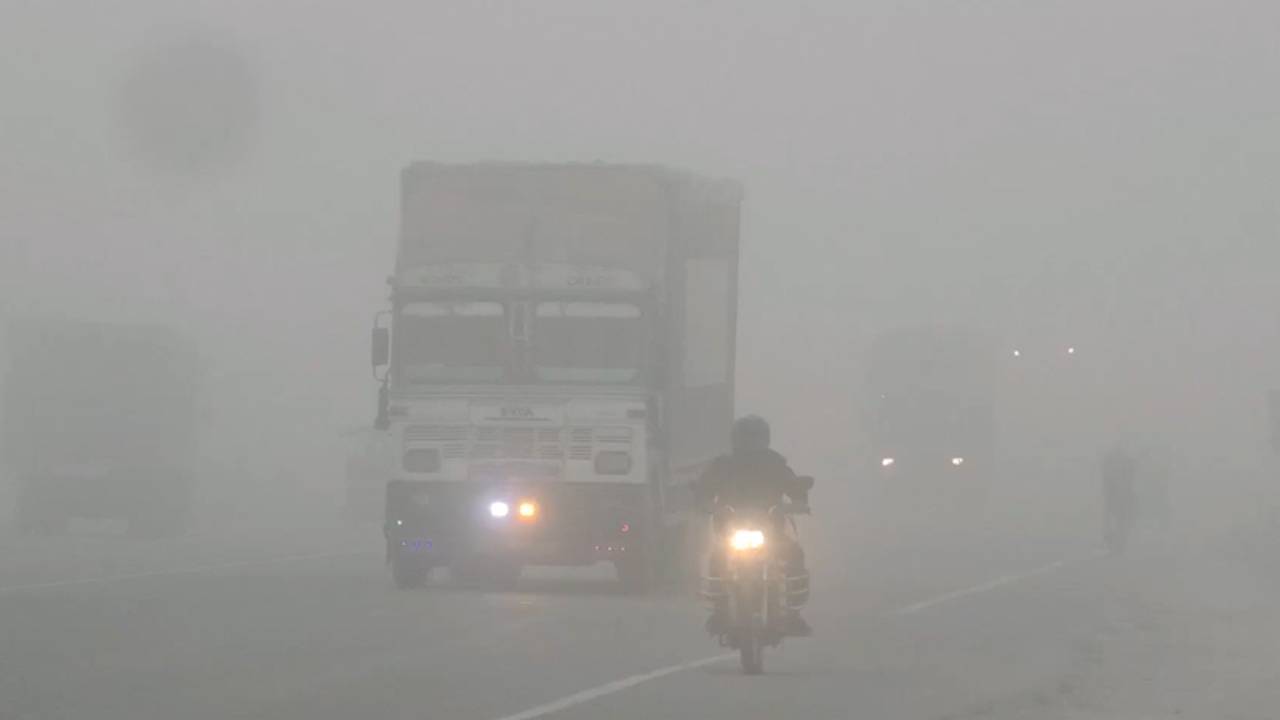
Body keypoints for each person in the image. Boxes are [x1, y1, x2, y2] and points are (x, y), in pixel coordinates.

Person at [696, 415, 811, 636]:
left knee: (794, 555)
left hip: (771, 533)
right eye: (746, 439)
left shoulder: (775, 464)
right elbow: (704, 490)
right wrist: (705, 503)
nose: (750, 444)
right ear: (735, 440)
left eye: (755, 439)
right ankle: (720, 612)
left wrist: (798, 502)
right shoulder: (723, 466)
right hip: (731, 533)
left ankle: (793, 613)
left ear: (764, 440)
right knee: (717, 559)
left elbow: (795, 488)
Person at [1101, 442, 1138, 554]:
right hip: (1119, 494)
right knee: (1121, 519)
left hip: (1116, 494)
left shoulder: (1112, 460)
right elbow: (1131, 476)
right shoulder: (1127, 461)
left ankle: (1115, 541)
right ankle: (1116, 541)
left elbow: (1106, 477)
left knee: (1118, 519)